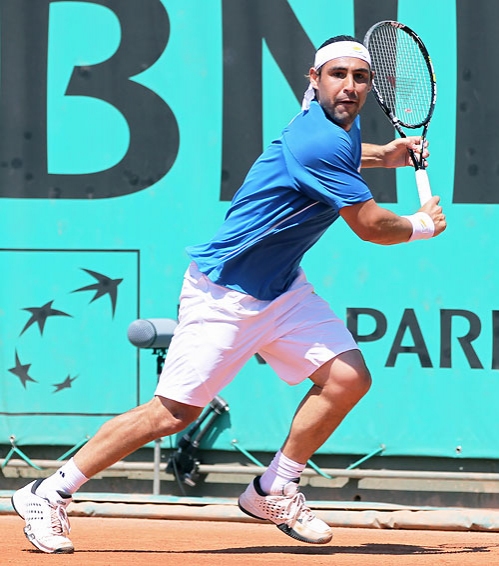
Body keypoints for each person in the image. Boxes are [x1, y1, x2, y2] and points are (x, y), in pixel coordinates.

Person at [11, 35, 446, 554]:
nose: (349, 86)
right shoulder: (319, 140)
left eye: (360, 77)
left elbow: (346, 154)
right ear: (314, 80)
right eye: (338, 75)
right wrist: (422, 224)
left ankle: (274, 487)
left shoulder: (335, 127)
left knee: (347, 378)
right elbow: (371, 226)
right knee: (170, 415)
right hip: (224, 293)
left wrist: (384, 155)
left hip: (281, 289)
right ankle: (48, 492)